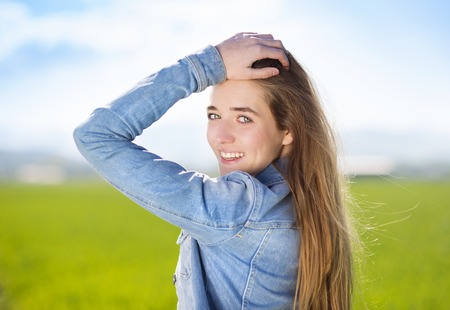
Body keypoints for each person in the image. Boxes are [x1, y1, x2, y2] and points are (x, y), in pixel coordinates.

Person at [74, 32, 354, 309]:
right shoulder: (303, 201)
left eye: (244, 118)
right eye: (214, 115)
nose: (221, 136)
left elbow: (96, 135)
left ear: (288, 130)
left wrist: (208, 65)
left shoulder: (239, 211)